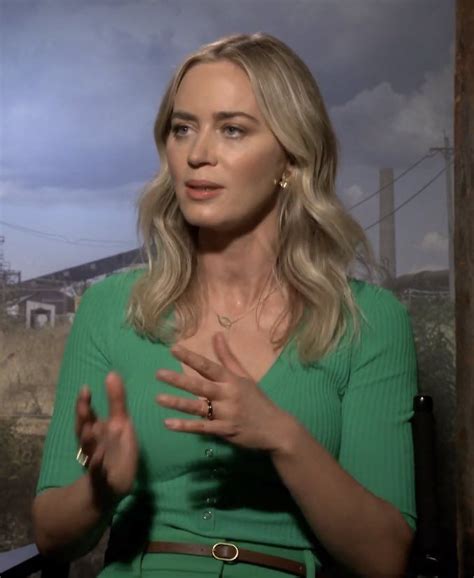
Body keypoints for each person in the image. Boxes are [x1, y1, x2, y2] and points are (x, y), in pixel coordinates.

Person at [32, 33, 417, 578]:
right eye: (182, 128)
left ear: (290, 156)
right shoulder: (110, 308)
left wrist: (282, 436)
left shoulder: (369, 320)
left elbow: (384, 558)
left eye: (232, 129)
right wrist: (99, 490)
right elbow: (50, 537)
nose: (197, 154)